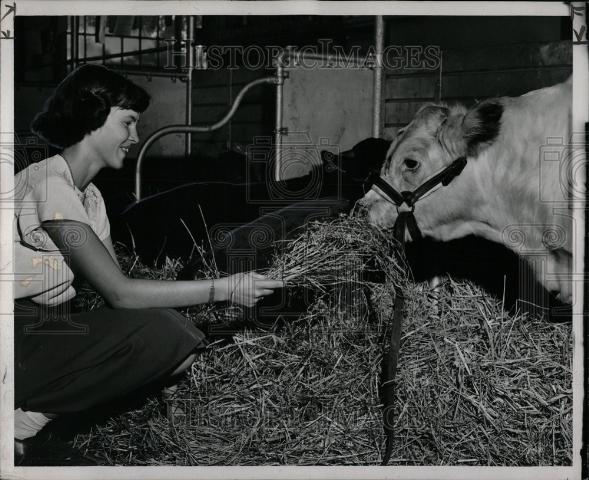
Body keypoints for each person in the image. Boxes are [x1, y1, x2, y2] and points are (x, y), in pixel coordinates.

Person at [13, 64, 284, 465]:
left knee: (177, 342)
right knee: (163, 332)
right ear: (94, 117)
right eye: (128, 123)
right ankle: (21, 421)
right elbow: (120, 294)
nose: (135, 137)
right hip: (13, 333)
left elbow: (117, 283)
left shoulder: (89, 198)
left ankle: (31, 412)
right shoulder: (52, 187)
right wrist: (225, 287)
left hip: (43, 327)